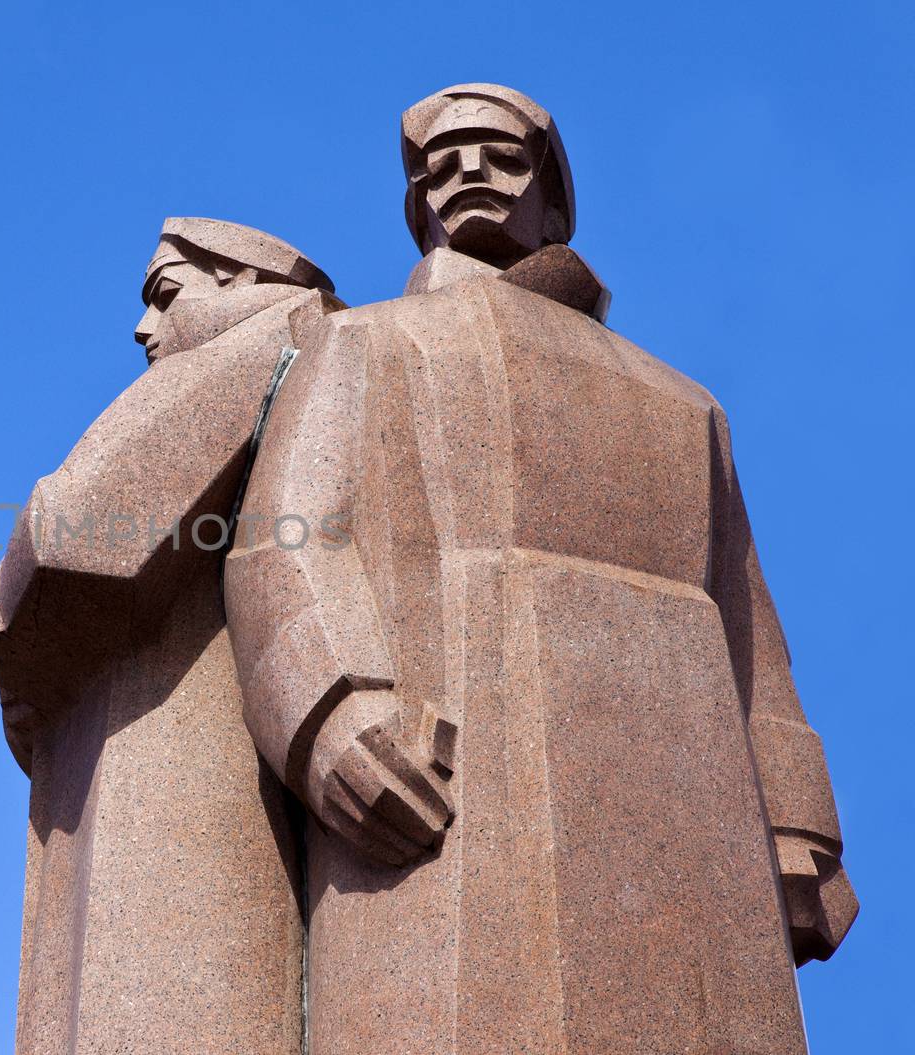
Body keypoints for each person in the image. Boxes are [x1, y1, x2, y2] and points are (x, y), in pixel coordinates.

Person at [224, 83, 856, 1054]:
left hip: (688, 821)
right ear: (420, 207)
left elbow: (746, 628)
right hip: (457, 782)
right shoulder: (364, 341)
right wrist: (333, 713)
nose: (467, 171)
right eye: (440, 165)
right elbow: (288, 538)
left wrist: (797, 827)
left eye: (498, 154)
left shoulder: (686, 406)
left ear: (553, 201)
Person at [0, 218, 343, 1055]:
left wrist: (7, 628)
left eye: (166, 294)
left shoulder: (276, 337)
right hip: (130, 733)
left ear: (244, 284)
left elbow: (70, 534)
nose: (144, 329)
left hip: (181, 741)